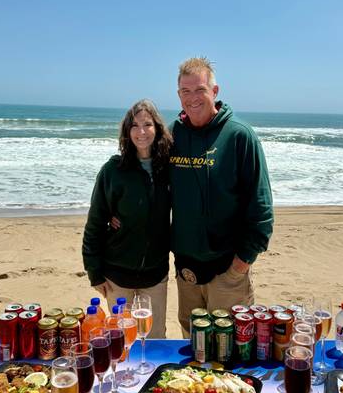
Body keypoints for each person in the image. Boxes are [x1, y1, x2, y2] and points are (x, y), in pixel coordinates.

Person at [170, 57, 274, 337]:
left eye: (200, 90)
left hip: (228, 270)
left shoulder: (240, 136)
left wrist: (243, 262)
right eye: (185, 91)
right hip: (186, 272)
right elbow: (148, 182)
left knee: (230, 348)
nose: (193, 98)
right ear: (178, 94)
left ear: (215, 92)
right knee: (194, 348)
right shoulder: (172, 135)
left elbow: (261, 207)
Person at [82, 99, 172, 338]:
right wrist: (94, 272)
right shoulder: (113, 171)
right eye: (134, 125)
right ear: (126, 131)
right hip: (117, 276)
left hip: (155, 274)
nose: (141, 132)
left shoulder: (170, 168)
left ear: (158, 128)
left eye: (147, 124)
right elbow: (95, 222)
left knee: (153, 337)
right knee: (119, 339)